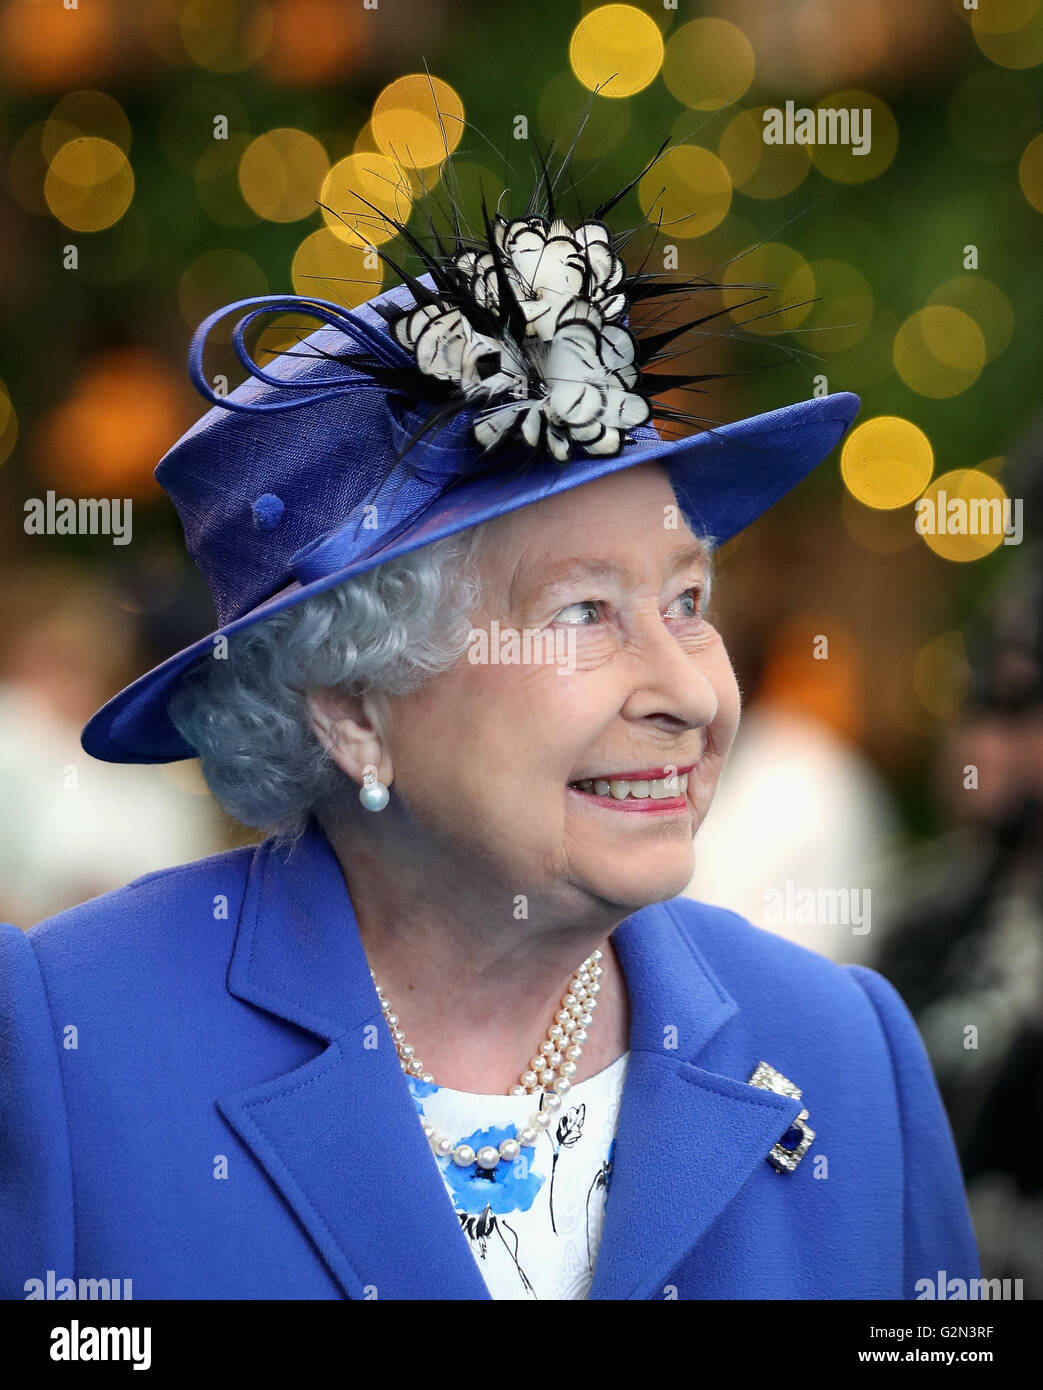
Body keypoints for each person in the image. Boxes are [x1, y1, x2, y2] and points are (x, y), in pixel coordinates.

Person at [0, 148, 980, 1300]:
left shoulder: (844, 1052)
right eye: (583, 612)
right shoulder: (69, 1046)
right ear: (355, 707)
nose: (690, 692)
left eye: (686, 602)